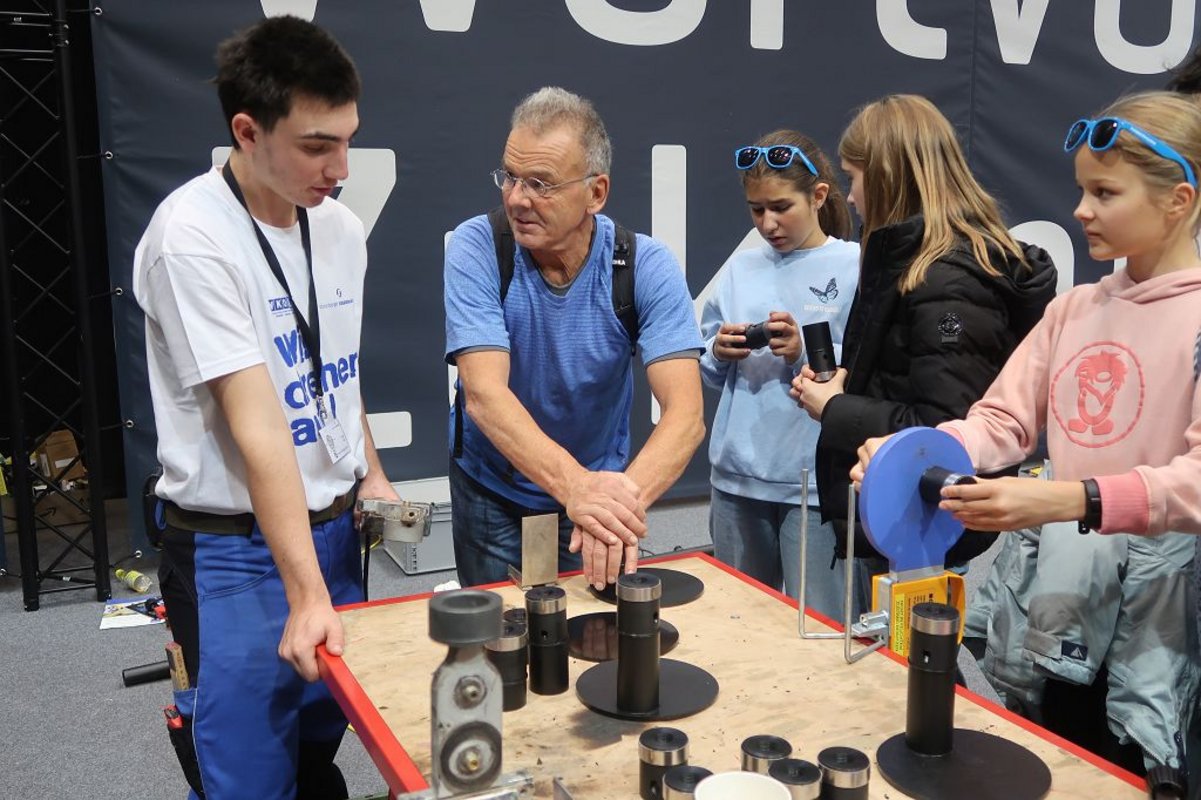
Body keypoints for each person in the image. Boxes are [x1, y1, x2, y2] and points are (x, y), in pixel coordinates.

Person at [854, 91, 1201, 778]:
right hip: (1063, 601)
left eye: (1104, 193)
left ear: (1177, 200)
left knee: (1134, 765)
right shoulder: (1073, 310)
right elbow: (1002, 420)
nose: (1080, 211)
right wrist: (911, 456)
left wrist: (1065, 500)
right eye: (1081, 190)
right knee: (1052, 753)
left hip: (1164, 622)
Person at [132, 17, 398, 799]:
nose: (339, 169)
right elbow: (258, 426)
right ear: (247, 132)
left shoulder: (340, 228)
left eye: (347, 142)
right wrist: (306, 593)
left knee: (318, 746)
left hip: (334, 534)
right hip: (234, 555)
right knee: (246, 778)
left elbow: (331, 374)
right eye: (317, 146)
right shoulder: (192, 238)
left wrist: (369, 472)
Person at [791, 94, 1057, 616]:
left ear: (886, 178)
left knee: (912, 653)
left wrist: (835, 407)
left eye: (854, 178)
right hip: (896, 500)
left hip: (921, 517)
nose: (850, 196)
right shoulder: (908, 258)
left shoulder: (948, 279)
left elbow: (945, 431)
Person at [443, 87, 705, 590]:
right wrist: (576, 488)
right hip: (492, 491)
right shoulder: (478, 247)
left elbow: (686, 416)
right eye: (510, 176)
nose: (517, 198)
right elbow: (483, 396)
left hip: (598, 492)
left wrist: (611, 506)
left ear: (596, 193)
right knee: (500, 630)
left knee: (591, 632)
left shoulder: (644, 265)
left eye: (540, 184)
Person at [701, 130, 859, 615]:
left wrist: (804, 351)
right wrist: (718, 350)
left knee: (820, 629)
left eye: (780, 207)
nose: (768, 223)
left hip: (813, 483)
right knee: (740, 625)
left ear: (818, 196)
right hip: (736, 479)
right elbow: (706, 369)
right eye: (756, 209)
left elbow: (868, 372)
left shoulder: (854, 265)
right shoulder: (740, 269)